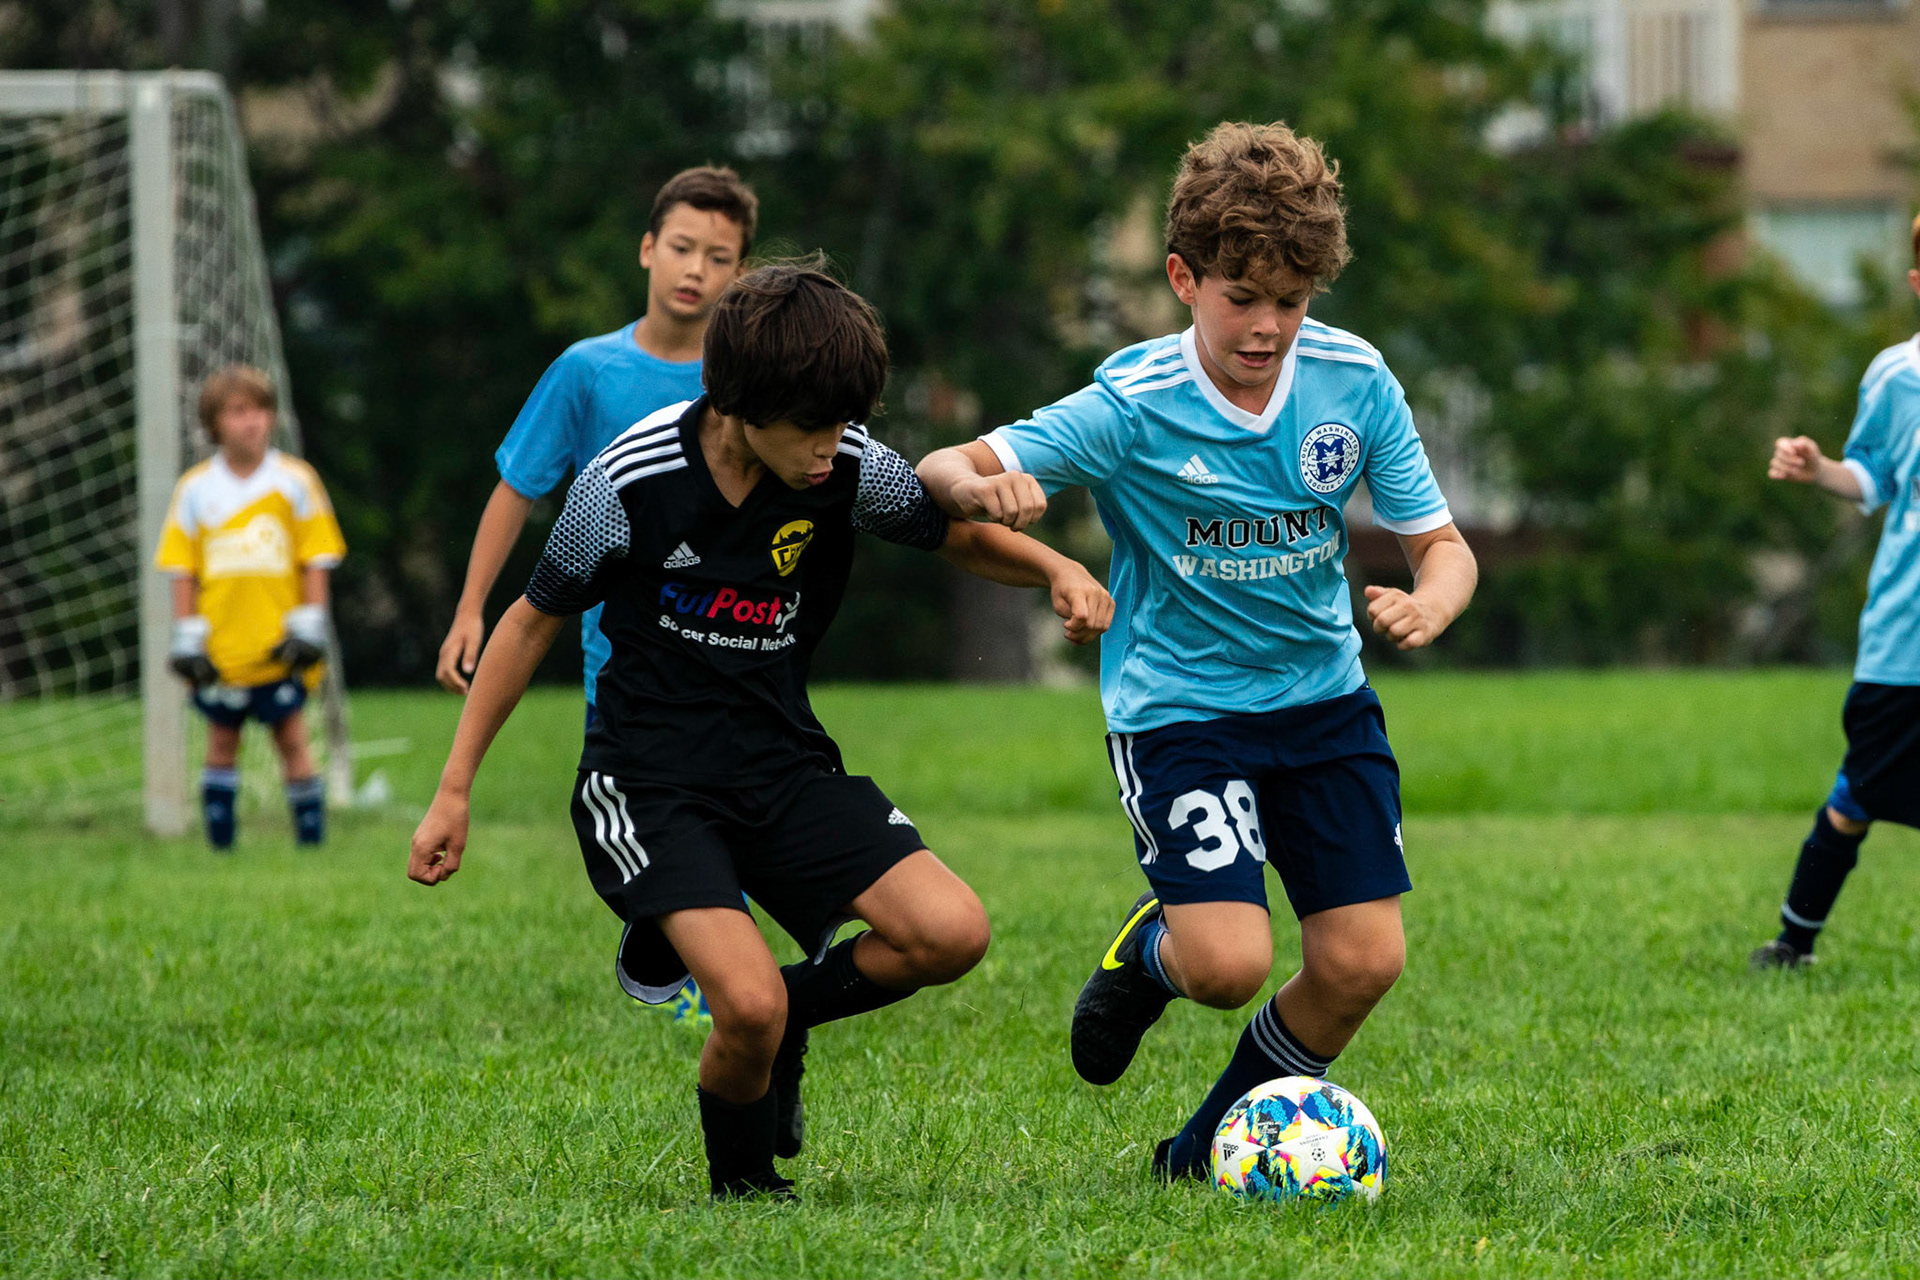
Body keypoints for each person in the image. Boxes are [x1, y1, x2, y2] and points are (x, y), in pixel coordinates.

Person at [408, 263, 1114, 1200]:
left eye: (843, 423)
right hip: (650, 783)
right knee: (744, 1006)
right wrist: (453, 791)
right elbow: (532, 620)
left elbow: (955, 536)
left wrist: (1056, 567)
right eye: (810, 428)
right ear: (737, 403)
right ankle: (745, 1190)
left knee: (950, 933)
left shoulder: (848, 467)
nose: (831, 447)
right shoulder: (629, 482)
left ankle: (785, 1021)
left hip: (783, 767)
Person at [916, 121, 1478, 1182]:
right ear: (1183, 276)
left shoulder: (1353, 382)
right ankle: (1153, 950)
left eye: (1293, 301)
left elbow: (1440, 544)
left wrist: (1433, 602)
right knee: (1228, 963)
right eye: (1242, 297)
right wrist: (983, 484)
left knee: (1363, 959)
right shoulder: (1134, 404)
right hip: (1182, 710)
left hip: (1324, 704)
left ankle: (1197, 1147)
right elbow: (946, 464)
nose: (1268, 327)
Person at [436, 165, 758, 1024]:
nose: (695, 268)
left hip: (734, 630)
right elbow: (518, 488)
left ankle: (683, 948)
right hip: (620, 641)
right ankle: (681, 948)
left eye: (718, 256)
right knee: (655, 790)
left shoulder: (746, 380)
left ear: (740, 276)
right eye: (682, 247)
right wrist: (471, 609)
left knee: (734, 790)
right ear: (647, 249)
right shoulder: (587, 372)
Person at [1749, 214, 1920, 971]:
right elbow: (1874, 478)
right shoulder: (1897, 376)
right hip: (1903, 640)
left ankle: (1792, 940)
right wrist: (1820, 469)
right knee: (1858, 793)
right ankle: (1794, 942)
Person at [155, 364, 346, 850]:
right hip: (223, 646)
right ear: (214, 423)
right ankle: (222, 847)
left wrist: (310, 629)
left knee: (293, 739)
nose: (252, 421)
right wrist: (187, 638)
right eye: (238, 411)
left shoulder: (296, 481)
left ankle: (312, 844)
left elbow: (315, 560)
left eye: (261, 410)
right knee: (221, 743)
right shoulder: (195, 489)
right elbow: (184, 570)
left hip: (280, 643)